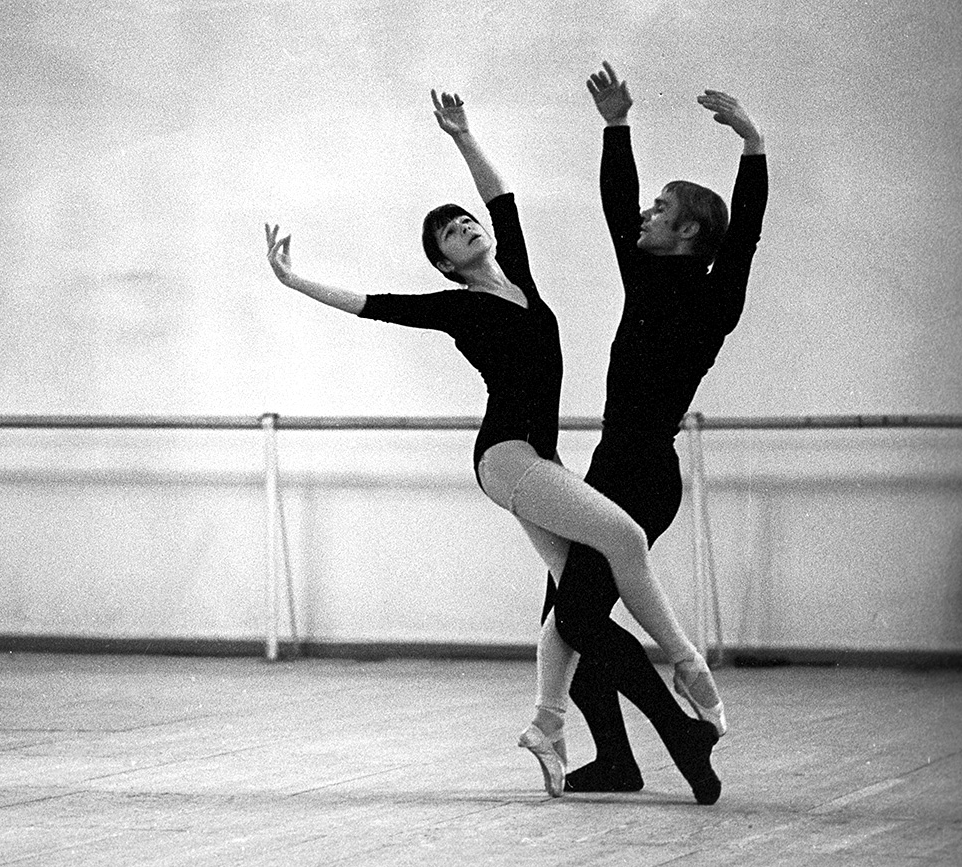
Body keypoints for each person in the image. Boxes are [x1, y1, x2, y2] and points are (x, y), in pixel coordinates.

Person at [263, 89, 722, 803]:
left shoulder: (524, 283)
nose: (465, 228)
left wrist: (463, 136)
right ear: (445, 266)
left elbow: (499, 193)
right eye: (450, 234)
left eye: (466, 222)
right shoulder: (458, 306)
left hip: (539, 462)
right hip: (505, 457)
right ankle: (691, 671)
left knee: (571, 609)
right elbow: (372, 305)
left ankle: (547, 725)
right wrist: (295, 280)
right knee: (625, 538)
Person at [543, 61, 769, 798]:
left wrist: (753, 147)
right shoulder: (644, 276)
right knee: (563, 623)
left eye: (660, 206)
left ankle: (678, 734)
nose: (644, 213)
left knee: (572, 622)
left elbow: (746, 238)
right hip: (611, 468)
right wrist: (615, 128)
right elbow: (615, 207)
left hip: (641, 474)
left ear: (690, 229)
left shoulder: (714, 300)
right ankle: (621, 757)